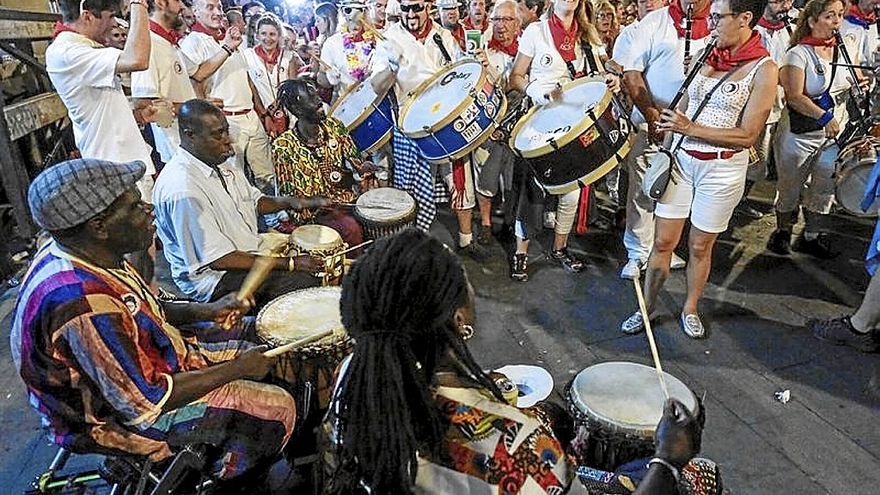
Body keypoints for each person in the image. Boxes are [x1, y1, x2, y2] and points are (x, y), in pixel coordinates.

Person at [323, 228, 717, 494]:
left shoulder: (353, 377)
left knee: (554, 417)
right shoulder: (514, 448)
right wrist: (667, 459)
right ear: (459, 319)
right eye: (465, 282)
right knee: (698, 475)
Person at [11, 158, 295, 482]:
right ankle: (226, 480)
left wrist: (205, 310)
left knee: (268, 335)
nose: (148, 208)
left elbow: (140, 307)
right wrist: (237, 369)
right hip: (110, 420)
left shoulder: (88, 252)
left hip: (147, 364)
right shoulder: (80, 301)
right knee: (278, 409)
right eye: (133, 206)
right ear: (99, 227)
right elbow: (146, 403)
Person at [621, 0, 778, 338]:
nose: (711, 24)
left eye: (718, 18)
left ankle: (690, 307)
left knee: (699, 247)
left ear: (744, 19)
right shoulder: (708, 52)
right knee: (662, 242)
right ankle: (646, 307)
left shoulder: (764, 68)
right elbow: (685, 103)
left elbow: (748, 135)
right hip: (682, 160)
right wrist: (666, 122)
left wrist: (689, 128)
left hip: (721, 171)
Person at [152, 100, 328, 305]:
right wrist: (289, 263)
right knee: (302, 282)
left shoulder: (219, 160)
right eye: (218, 134)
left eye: (226, 131)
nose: (228, 141)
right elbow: (219, 259)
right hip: (213, 279)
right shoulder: (183, 190)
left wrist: (297, 202)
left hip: (247, 251)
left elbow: (255, 201)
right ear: (190, 135)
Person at [508, 0, 620, 281]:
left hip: (574, 125)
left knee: (571, 191)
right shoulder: (537, 31)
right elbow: (515, 77)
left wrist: (611, 79)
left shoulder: (589, 34)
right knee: (532, 193)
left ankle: (560, 247)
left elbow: (602, 72)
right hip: (539, 123)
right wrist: (538, 92)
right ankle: (520, 253)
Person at [370, 0, 489, 260]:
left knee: (460, 181)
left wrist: (477, 62)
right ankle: (412, 245)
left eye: (416, 7)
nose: (411, 14)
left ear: (428, 8)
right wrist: (391, 68)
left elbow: (462, 71)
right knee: (412, 191)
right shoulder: (389, 39)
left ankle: (466, 240)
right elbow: (376, 87)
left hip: (446, 118)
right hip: (411, 126)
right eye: (405, 8)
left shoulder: (443, 36)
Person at [614, 0, 714, 281]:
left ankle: (663, 247)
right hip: (651, 124)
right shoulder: (654, 22)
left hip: (693, 130)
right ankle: (637, 251)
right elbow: (632, 74)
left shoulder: (719, 24)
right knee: (642, 189)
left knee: (675, 193)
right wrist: (651, 115)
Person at [767, 0, 862, 258]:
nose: (836, 22)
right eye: (830, 16)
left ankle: (811, 235)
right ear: (812, 20)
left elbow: (853, 81)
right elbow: (794, 96)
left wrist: (862, 83)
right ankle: (783, 232)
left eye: (840, 15)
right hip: (799, 134)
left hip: (834, 134)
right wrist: (823, 117)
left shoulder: (846, 47)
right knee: (790, 186)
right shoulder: (797, 54)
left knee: (824, 185)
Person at [181, 0, 276, 193]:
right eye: (210, 7)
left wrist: (262, 113)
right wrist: (227, 48)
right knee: (235, 178)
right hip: (227, 120)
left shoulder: (230, 39)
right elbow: (196, 76)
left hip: (251, 116)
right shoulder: (193, 41)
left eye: (220, 8)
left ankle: (278, 218)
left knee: (266, 174)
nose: (217, 13)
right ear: (196, 11)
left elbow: (247, 78)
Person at [272, 79, 372, 247]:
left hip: (347, 201)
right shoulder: (283, 147)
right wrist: (317, 202)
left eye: (316, 95)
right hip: (314, 214)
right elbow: (289, 199)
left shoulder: (335, 126)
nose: (319, 101)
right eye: (311, 98)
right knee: (351, 228)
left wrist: (363, 170)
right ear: (296, 109)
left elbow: (356, 163)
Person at [473, 0, 521, 245]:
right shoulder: (482, 50)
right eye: (496, 20)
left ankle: (513, 222)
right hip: (488, 127)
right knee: (486, 176)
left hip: (517, 127)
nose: (500, 26)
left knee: (513, 177)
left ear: (517, 24)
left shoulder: (526, 52)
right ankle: (485, 223)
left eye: (507, 20)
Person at [131, 0, 198, 167]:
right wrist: (197, 109)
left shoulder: (167, 41)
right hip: (177, 147)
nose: (182, 7)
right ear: (160, 3)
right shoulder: (149, 43)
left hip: (190, 143)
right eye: (177, 1)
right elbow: (144, 104)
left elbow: (199, 73)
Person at [319, 0, 380, 92]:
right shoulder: (332, 43)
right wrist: (329, 75)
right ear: (342, 13)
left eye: (358, 9)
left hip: (379, 96)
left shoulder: (377, 38)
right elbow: (321, 80)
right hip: (350, 100)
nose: (353, 15)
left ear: (365, 12)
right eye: (348, 10)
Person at [243, 13, 297, 112]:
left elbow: (292, 89)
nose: (267, 39)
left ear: (279, 36)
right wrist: (264, 113)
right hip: (261, 114)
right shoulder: (248, 56)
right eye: (263, 34)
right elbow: (251, 90)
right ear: (257, 35)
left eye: (272, 34)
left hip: (287, 112)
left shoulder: (288, 57)